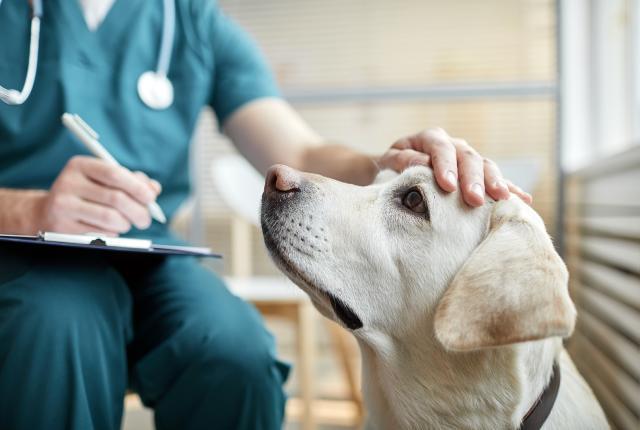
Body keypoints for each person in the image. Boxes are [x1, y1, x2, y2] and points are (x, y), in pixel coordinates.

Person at [0, 1, 532, 429]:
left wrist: (382, 162)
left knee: (237, 353)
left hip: (149, 252)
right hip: (20, 254)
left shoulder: (192, 22)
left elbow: (299, 153)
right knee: (54, 327)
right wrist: (28, 209)